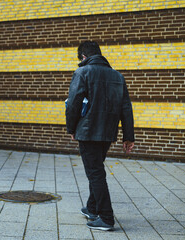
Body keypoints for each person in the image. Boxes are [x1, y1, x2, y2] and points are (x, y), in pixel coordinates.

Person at [65, 40, 135, 231]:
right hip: (108, 133)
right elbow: (126, 108)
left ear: (84, 57)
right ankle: (92, 207)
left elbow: (73, 104)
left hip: (88, 132)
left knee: (95, 173)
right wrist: (128, 136)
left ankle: (106, 218)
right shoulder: (117, 76)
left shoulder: (82, 72)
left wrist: (71, 129)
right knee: (96, 168)